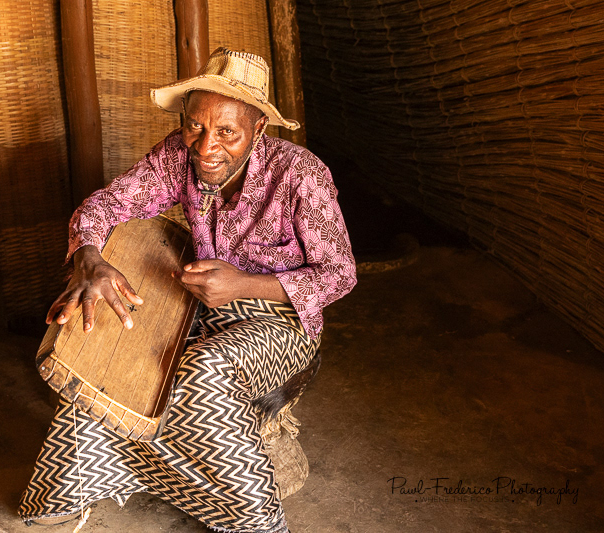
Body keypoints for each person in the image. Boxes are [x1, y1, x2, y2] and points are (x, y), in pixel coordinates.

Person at [19, 47, 357, 533]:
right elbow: (104, 207)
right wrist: (89, 260)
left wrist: (242, 285)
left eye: (227, 133)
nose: (206, 147)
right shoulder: (176, 156)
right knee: (107, 328)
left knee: (204, 370)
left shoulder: (300, 174)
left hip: (283, 326)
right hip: (197, 306)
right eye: (195, 125)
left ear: (259, 128)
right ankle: (74, 486)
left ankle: (255, 521)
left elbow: (339, 274)